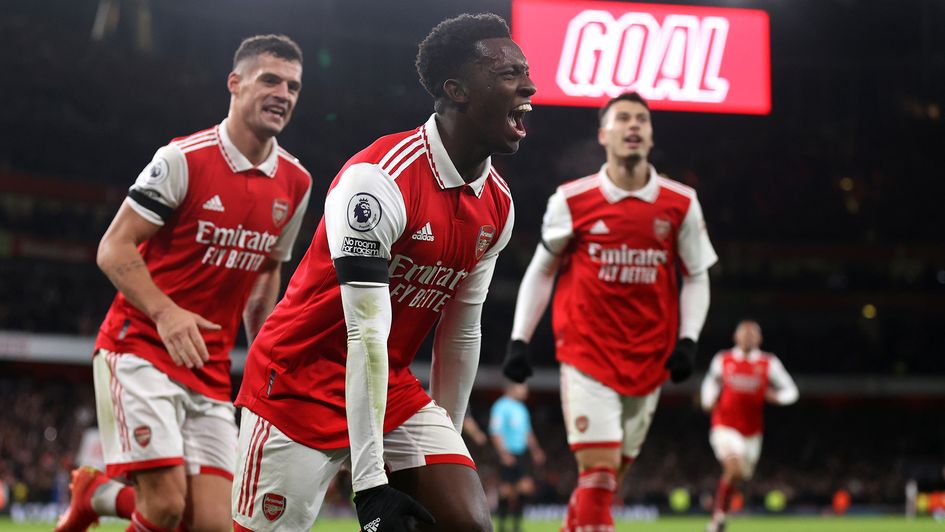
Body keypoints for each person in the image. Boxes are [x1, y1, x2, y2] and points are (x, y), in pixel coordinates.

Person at [230, 13, 535, 532]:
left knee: (465, 524)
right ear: (457, 91)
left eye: (524, 71)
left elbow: (461, 332)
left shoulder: (499, 205)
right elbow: (363, 333)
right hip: (297, 384)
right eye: (508, 73)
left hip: (387, 386)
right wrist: (370, 486)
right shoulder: (378, 182)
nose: (528, 85)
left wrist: (444, 445)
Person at [55, 34, 311, 532]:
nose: (284, 93)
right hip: (140, 347)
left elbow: (266, 273)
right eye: (270, 80)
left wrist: (264, 357)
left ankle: (95, 494)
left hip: (209, 366)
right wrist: (166, 312)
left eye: (294, 87)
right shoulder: (182, 159)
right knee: (167, 507)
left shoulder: (296, 183)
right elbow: (113, 247)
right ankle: (98, 493)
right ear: (234, 84)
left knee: (212, 525)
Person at [502, 91, 718, 532]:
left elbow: (696, 275)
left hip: (650, 360)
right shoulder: (572, 200)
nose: (633, 125)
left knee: (604, 482)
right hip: (587, 354)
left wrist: (688, 340)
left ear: (651, 134)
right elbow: (543, 271)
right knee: (598, 474)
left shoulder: (680, 203)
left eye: (642, 119)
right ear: (604, 135)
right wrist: (520, 339)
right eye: (623, 118)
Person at [700, 320, 798, 532]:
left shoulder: (768, 363)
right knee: (733, 468)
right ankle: (718, 520)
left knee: (740, 475)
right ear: (736, 337)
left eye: (752, 335)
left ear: (759, 339)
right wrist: (708, 400)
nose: (747, 338)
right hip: (724, 425)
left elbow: (792, 391)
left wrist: (777, 397)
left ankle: (720, 516)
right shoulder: (723, 359)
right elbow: (710, 382)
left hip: (752, 433)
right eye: (743, 334)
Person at [489, 382, 545, 532]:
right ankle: (501, 526)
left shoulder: (522, 408)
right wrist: (503, 453)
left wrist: (536, 451)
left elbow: (527, 432)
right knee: (506, 490)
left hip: (521, 454)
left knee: (524, 488)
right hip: (507, 453)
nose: (526, 390)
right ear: (513, 387)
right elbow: (495, 431)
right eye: (523, 387)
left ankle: (516, 526)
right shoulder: (501, 406)